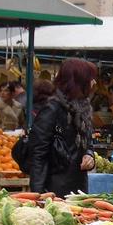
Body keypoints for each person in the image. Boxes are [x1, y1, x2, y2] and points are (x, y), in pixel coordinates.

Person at [28, 58, 96, 197]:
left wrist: (89, 155)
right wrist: (38, 193)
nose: (94, 82)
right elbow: (38, 152)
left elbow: (88, 142)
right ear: (78, 81)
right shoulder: (52, 108)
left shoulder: (84, 108)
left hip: (78, 185)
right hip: (54, 186)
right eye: (90, 78)